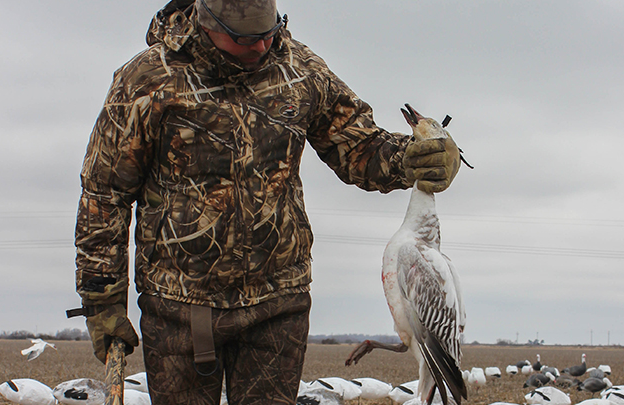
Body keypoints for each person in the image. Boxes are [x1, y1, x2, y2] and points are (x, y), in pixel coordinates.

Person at [68, 0, 463, 404]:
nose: (260, 47)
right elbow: (104, 193)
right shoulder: (148, 79)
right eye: (243, 38)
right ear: (206, 23)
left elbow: (358, 147)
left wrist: (413, 159)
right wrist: (102, 298)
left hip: (277, 305)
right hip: (180, 309)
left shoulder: (300, 70)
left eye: (268, 33)